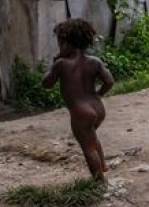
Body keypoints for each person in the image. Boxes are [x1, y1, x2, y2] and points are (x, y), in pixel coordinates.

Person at [42, 18, 114, 183]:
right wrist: (98, 95)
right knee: (91, 136)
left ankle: (99, 183)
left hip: (80, 112)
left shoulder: (61, 64)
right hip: (97, 107)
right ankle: (103, 165)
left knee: (88, 148)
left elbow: (46, 84)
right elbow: (109, 81)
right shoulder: (94, 62)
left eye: (60, 42)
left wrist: (53, 64)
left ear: (66, 43)